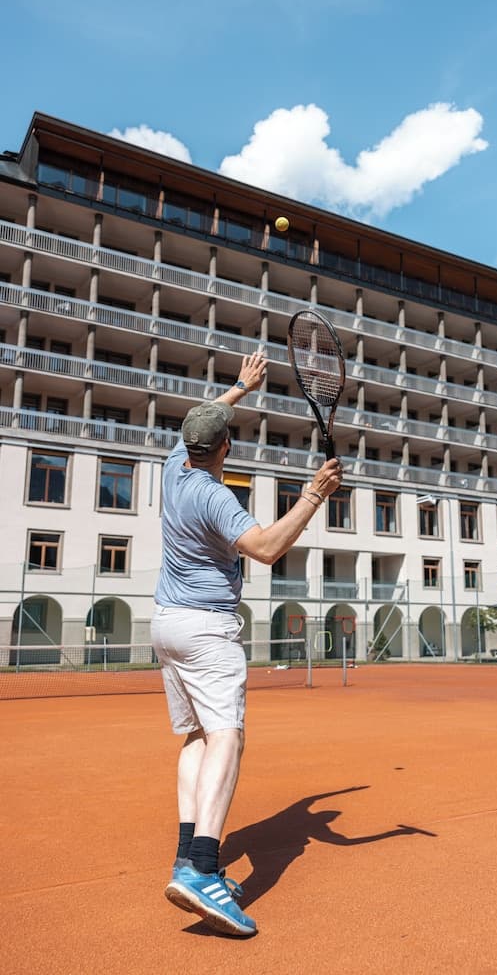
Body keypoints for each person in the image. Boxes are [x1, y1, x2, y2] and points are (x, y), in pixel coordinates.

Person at [151, 350, 342, 937]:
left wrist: (240, 386)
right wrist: (313, 495)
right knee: (227, 737)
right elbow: (265, 549)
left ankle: (186, 855)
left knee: (196, 736)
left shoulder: (173, 464)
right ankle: (203, 869)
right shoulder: (215, 496)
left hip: (166, 624)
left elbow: (206, 415)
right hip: (206, 630)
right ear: (226, 448)